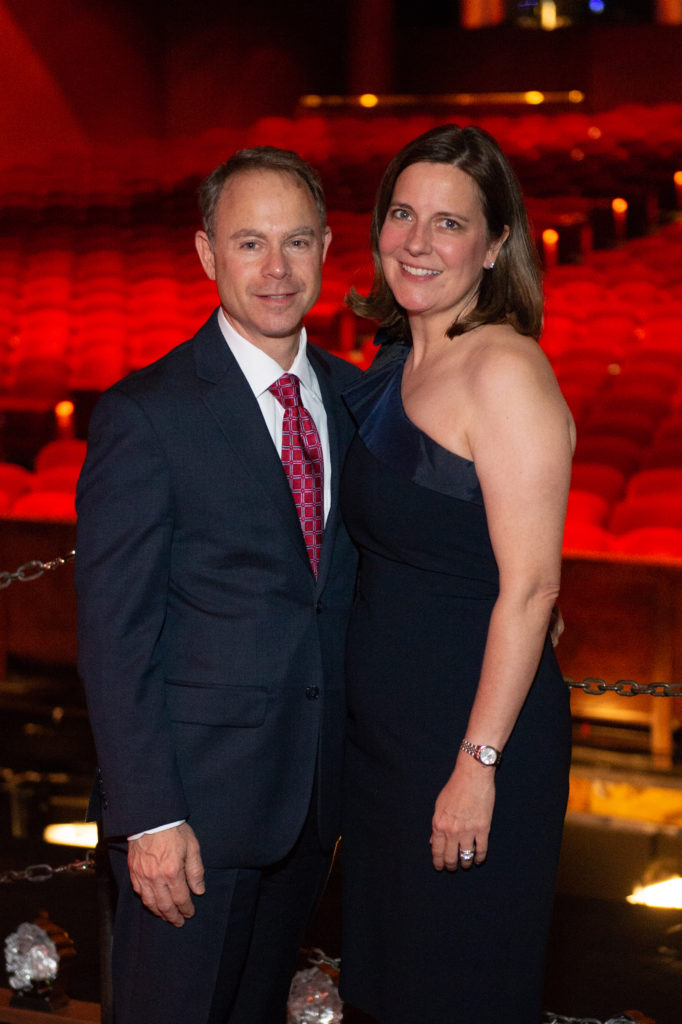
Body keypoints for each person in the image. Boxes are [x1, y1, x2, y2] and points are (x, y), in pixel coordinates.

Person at [74, 146, 361, 1024]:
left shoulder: (356, 400)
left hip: (310, 810)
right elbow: (112, 638)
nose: (276, 269)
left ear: (324, 249)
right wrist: (149, 819)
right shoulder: (146, 414)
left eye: (296, 242)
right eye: (249, 243)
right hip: (188, 823)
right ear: (206, 254)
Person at [339, 124, 576, 1024]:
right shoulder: (396, 362)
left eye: (449, 223)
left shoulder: (505, 370)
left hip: (471, 748)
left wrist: (478, 765)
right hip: (389, 753)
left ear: (496, 244)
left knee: (456, 995)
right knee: (388, 992)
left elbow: (532, 590)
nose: (417, 241)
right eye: (403, 214)